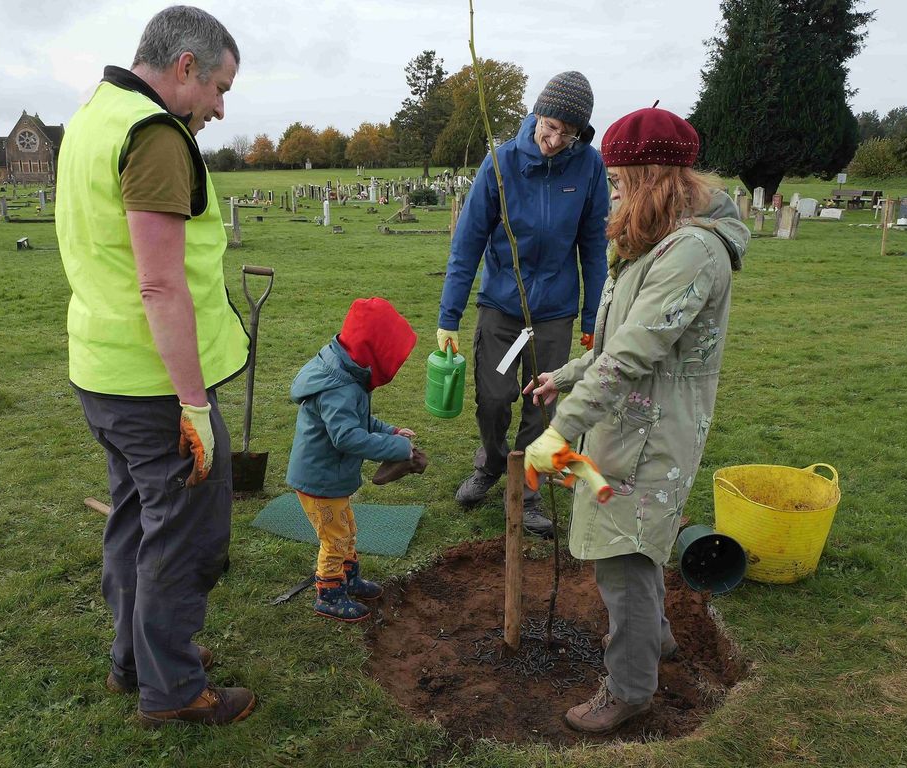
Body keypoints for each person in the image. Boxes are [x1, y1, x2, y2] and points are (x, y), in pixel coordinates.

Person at [54, 6, 255, 728]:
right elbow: (160, 282)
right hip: (152, 383)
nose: (221, 107)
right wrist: (193, 403)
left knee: (136, 517)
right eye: (219, 87)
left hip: (101, 368)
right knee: (185, 529)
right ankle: (171, 688)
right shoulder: (154, 135)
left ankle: (133, 659)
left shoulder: (93, 115)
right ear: (185, 68)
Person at [523, 106, 748, 734]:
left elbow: (630, 355)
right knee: (634, 550)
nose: (614, 196)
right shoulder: (658, 245)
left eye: (621, 183)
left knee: (624, 561)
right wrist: (565, 377)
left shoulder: (692, 254)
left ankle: (630, 689)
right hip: (629, 422)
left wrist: (560, 431)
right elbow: (614, 341)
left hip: (653, 434)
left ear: (653, 179)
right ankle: (660, 640)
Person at [436, 71, 609, 537]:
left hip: (554, 313)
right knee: (494, 397)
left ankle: (528, 491)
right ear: (536, 114)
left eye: (567, 133)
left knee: (542, 403)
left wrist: (595, 319)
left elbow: (594, 248)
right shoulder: (501, 162)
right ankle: (491, 464)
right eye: (549, 126)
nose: (554, 140)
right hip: (502, 308)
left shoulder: (589, 168)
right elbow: (468, 241)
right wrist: (448, 315)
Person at [286, 297, 421, 622]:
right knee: (335, 538)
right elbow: (347, 437)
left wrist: (390, 432)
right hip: (319, 481)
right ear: (374, 352)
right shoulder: (339, 388)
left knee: (347, 528)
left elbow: (357, 422)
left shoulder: (347, 372)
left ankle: (349, 577)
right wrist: (399, 451)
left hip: (331, 478)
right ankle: (329, 594)